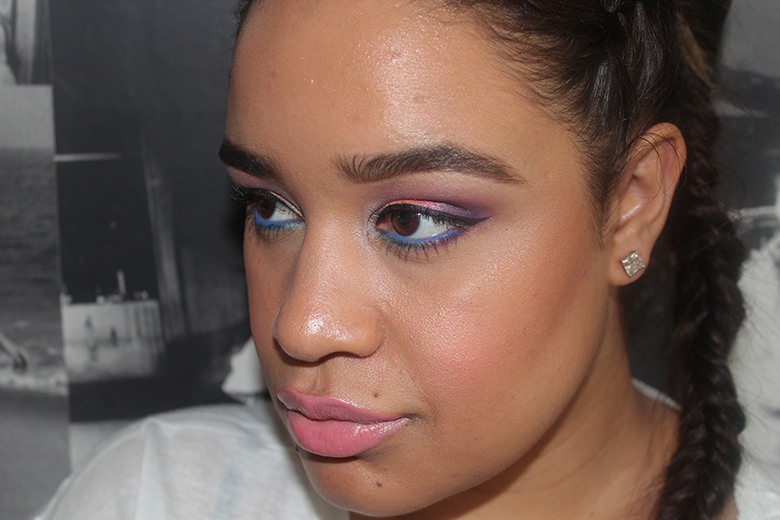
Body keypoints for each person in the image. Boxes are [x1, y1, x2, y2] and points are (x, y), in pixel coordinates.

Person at [35, 0, 780, 519]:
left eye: (411, 220)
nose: (301, 325)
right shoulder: (152, 497)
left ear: (631, 204)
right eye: (269, 206)